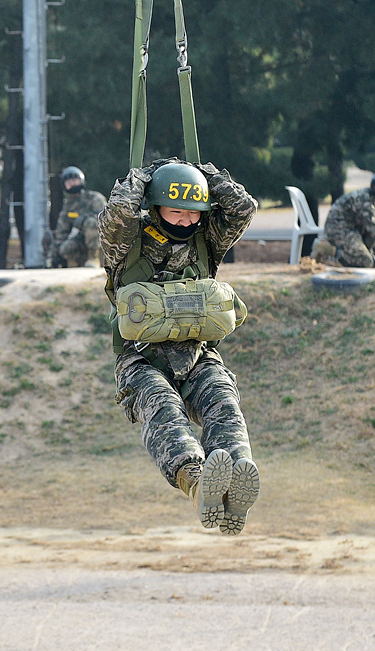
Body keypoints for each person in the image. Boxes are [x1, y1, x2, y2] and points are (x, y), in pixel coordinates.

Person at [99, 158, 260, 536]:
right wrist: (148, 173)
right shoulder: (125, 245)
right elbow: (118, 211)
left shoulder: (208, 240)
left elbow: (242, 208)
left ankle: (236, 481)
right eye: (176, 211)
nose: (187, 222)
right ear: (155, 208)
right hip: (141, 361)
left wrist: (206, 176)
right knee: (164, 410)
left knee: (224, 402)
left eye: (194, 213)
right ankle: (198, 483)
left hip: (197, 355)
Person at [316, 169, 375, 268]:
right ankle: (329, 250)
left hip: (350, 227)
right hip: (338, 229)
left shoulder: (369, 197)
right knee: (366, 261)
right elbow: (373, 227)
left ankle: (363, 251)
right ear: (373, 184)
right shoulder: (364, 199)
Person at [44, 166, 107, 267]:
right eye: (68, 182)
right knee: (65, 248)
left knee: (91, 223)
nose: (72, 183)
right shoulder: (68, 206)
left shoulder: (94, 198)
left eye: (74, 180)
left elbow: (106, 219)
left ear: (81, 180)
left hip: (100, 242)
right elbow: (61, 233)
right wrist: (52, 257)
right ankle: (75, 267)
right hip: (79, 241)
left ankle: (94, 259)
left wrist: (84, 218)